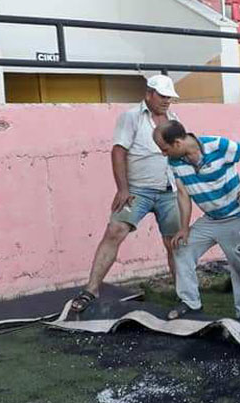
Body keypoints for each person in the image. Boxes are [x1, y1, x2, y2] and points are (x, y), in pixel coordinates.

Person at [70, 75, 181, 314]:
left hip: (168, 190)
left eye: (169, 97)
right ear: (149, 94)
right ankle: (91, 289)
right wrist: (123, 188)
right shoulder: (131, 117)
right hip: (137, 190)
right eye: (162, 96)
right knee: (115, 231)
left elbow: (180, 152)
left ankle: (185, 296)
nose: (166, 101)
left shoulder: (174, 119)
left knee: (174, 243)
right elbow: (118, 151)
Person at [152, 121, 240, 326]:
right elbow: (183, 194)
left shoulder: (218, 146)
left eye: (165, 149)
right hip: (211, 219)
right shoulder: (175, 162)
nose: (163, 154)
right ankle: (191, 303)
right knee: (181, 248)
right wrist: (184, 228)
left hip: (238, 216)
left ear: (177, 143)